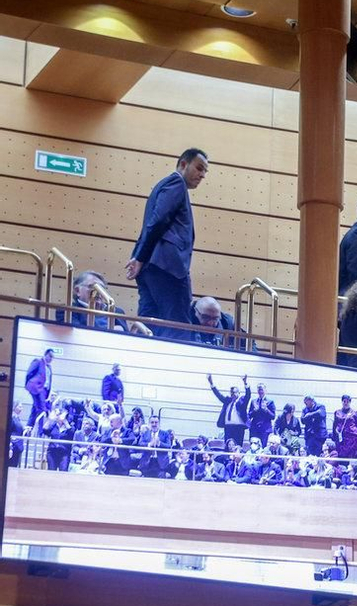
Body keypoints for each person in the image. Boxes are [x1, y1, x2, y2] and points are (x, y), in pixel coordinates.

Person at [126, 147, 207, 339]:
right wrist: (141, 257)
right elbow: (158, 221)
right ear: (183, 164)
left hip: (150, 267)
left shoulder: (161, 186)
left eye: (205, 171)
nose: (202, 175)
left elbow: (150, 224)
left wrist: (139, 257)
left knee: (148, 325)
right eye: (199, 168)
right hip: (168, 267)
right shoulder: (176, 183)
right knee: (177, 327)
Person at [58, 271, 137, 332]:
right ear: (77, 290)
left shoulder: (116, 311)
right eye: (92, 287)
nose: (98, 291)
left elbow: (124, 339)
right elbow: (76, 335)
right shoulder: (67, 310)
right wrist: (110, 329)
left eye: (101, 288)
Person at [207, 373, 249, 446]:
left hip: (238, 427)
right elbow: (218, 395)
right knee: (227, 445)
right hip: (228, 427)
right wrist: (211, 383)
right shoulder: (227, 401)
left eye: (235, 392)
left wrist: (245, 383)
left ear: (239, 393)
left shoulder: (242, 401)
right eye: (231, 393)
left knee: (237, 446)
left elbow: (248, 395)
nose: (233, 394)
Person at [332, 394, 357, 460]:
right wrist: (334, 436)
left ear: (350, 402)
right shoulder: (337, 412)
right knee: (342, 455)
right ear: (342, 402)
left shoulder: (355, 412)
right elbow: (334, 425)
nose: (346, 403)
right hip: (342, 437)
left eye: (347, 401)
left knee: (352, 455)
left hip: (352, 437)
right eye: (344, 401)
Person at [25, 349, 54, 424]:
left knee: (35, 407)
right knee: (42, 408)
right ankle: (39, 429)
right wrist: (30, 384)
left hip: (44, 390)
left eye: (52, 357)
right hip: (37, 387)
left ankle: (30, 425)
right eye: (50, 356)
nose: (51, 358)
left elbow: (49, 380)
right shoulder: (38, 361)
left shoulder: (49, 367)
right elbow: (29, 373)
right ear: (46, 354)